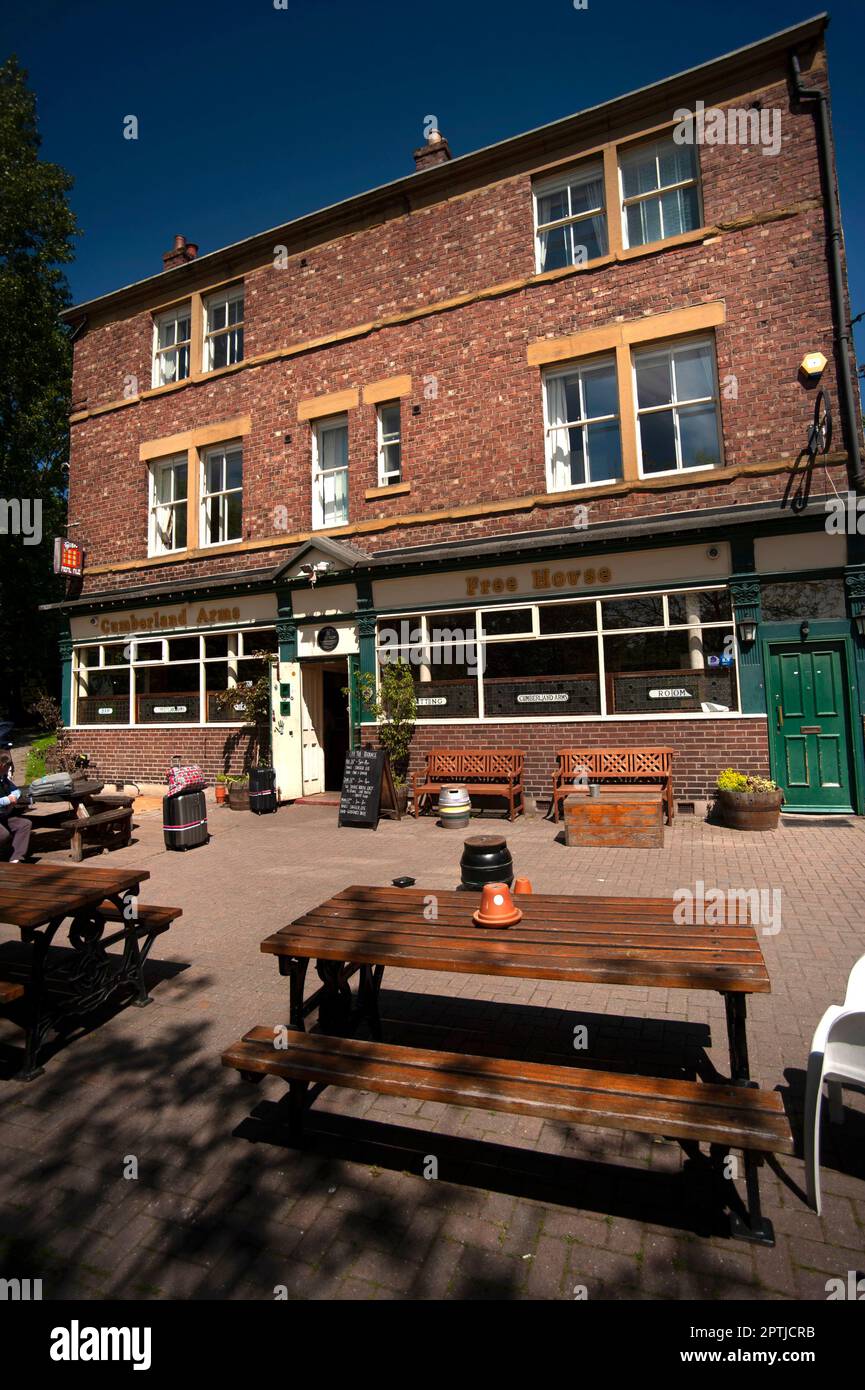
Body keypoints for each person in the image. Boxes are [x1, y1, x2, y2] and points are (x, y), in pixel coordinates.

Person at [0, 752, 32, 863]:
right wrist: (7, 800)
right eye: (8, 767)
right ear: (3, 765)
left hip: (2, 815)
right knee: (3, 834)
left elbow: (16, 790)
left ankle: (16, 858)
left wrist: (13, 796)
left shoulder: (3, 778)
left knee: (24, 824)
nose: (9, 770)